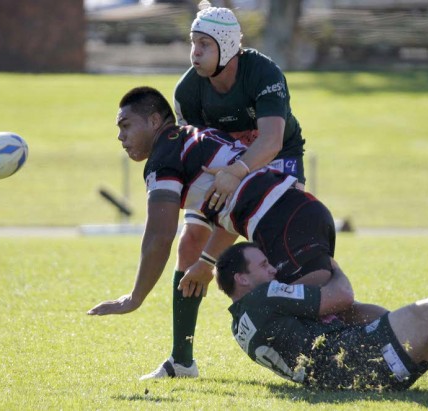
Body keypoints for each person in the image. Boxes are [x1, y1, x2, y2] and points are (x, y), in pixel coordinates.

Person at [87, 86, 382, 374]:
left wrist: (134, 298)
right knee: (329, 310)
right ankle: (409, 340)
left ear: (154, 121)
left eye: (126, 125)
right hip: (295, 215)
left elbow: (159, 235)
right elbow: (234, 215)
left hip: (285, 223)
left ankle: (405, 348)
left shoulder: (165, 155)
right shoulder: (197, 140)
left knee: (322, 310)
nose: (120, 136)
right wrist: (205, 261)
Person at [150, 5, 309, 380]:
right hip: (225, 165)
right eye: (193, 43)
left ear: (227, 45)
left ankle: (310, 346)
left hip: (279, 159)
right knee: (189, 243)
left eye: (205, 44)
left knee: (279, 263)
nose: (195, 52)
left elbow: (270, 141)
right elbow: (196, 152)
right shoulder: (188, 91)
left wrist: (236, 174)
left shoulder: (263, 72)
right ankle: (181, 360)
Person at [215, 241, 428, 396]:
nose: (272, 269)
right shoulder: (264, 295)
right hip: (361, 359)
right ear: (241, 279)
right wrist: (330, 263)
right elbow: (342, 296)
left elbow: (348, 312)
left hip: (358, 363)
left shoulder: (242, 322)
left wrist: (404, 323)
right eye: (262, 265)